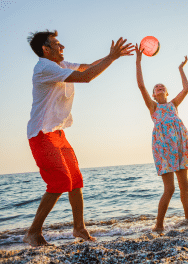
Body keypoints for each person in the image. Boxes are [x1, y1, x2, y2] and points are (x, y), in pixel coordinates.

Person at [24, 30, 135, 247]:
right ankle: (32, 233)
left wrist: (112, 55)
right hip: (41, 134)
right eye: (57, 44)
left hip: (56, 133)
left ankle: (79, 228)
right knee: (60, 181)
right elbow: (86, 77)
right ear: (45, 49)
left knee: (75, 180)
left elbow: (86, 67)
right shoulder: (44, 67)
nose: (62, 46)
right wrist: (111, 58)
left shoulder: (59, 65)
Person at [135, 45, 188, 231]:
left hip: (179, 145)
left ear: (167, 93)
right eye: (156, 88)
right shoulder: (153, 107)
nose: (159, 88)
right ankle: (158, 225)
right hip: (163, 148)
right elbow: (141, 85)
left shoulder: (173, 104)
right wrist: (138, 61)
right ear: (153, 94)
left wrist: (181, 69)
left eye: (162, 87)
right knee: (170, 189)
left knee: (184, 185)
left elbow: (186, 88)